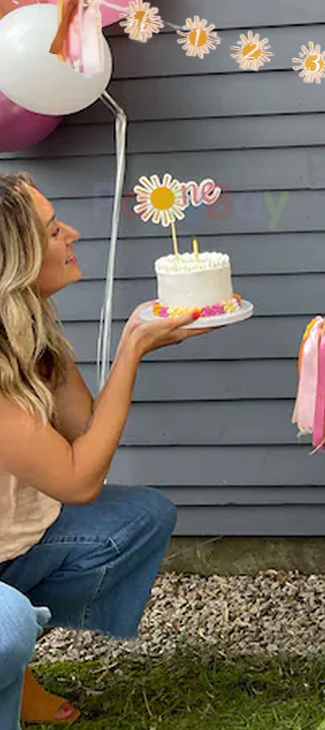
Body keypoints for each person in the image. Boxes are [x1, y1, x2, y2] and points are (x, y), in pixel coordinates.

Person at [0, 173, 216, 729]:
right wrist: (131, 349)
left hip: (10, 542)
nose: (72, 234)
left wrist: (133, 342)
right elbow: (78, 480)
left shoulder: (29, 329)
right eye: (53, 231)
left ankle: (11, 666)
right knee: (9, 626)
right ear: (17, 259)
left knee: (142, 516)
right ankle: (8, 652)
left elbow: (85, 431)